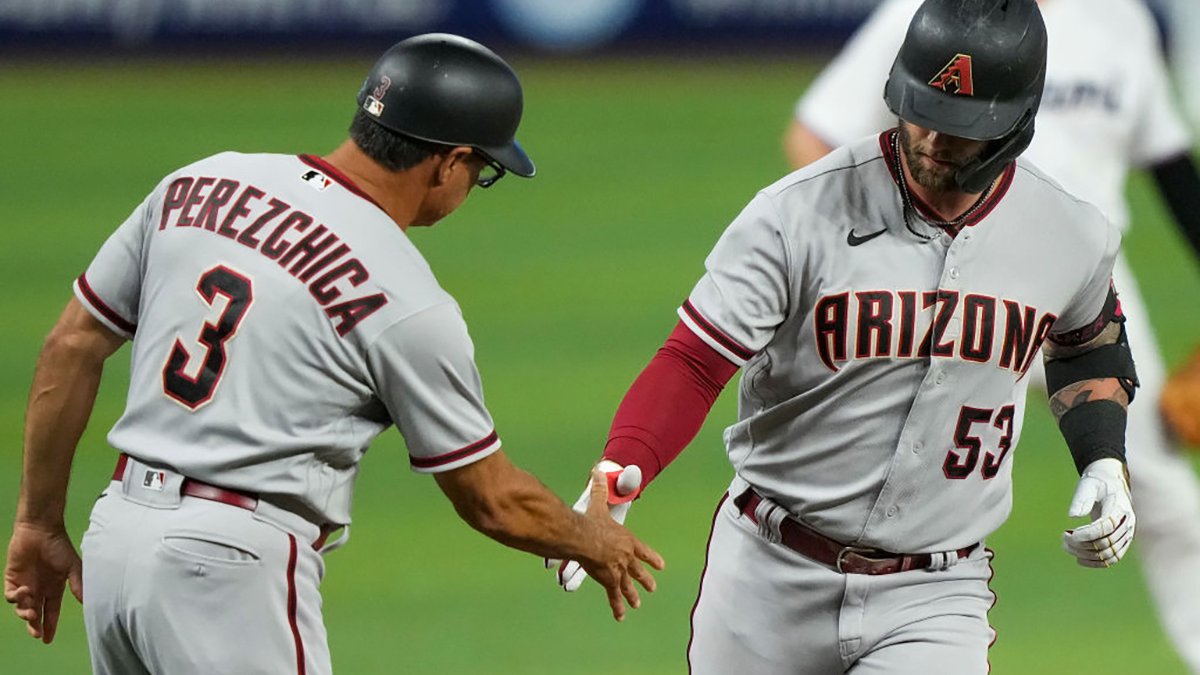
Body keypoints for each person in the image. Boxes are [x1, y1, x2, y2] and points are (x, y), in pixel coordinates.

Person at [3, 33, 663, 674]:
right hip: (228, 573)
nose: (472, 187)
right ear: (448, 161)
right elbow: (490, 497)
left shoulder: (198, 183)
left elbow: (73, 344)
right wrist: (591, 538)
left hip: (115, 539)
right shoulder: (405, 295)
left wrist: (36, 520)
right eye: (482, 172)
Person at [550, 1, 1139, 672]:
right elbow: (693, 359)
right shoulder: (794, 215)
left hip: (935, 592)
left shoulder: (1070, 234)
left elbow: (1089, 341)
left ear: (1015, 124)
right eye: (922, 112)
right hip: (768, 575)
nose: (931, 140)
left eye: (961, 129)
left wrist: (1102, 457)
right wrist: (621, 468)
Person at [784, 0, 1200, 669]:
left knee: (1164, 496)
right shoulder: (938, 16)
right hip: (957, 284)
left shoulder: (1122, 20)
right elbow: (813, 135)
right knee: (890, 498)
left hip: (1092, 295)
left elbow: (1175, 172)